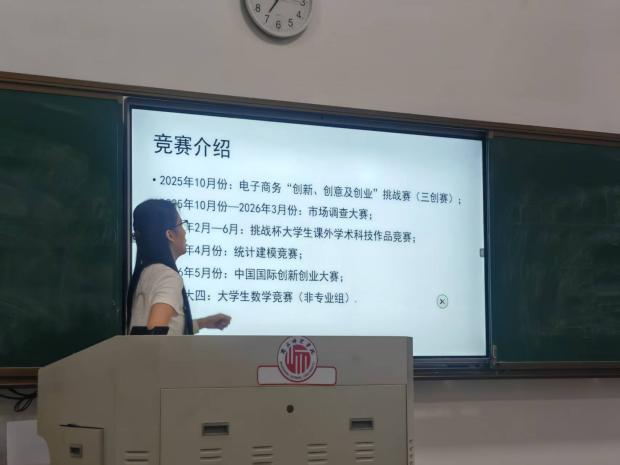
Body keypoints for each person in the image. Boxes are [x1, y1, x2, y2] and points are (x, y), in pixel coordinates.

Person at [127, 199, 231, 335]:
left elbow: (160, 329)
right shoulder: (168, 276)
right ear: (170, 235)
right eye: (181, 225)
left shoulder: (147, 272)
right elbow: (154, 334)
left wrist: (203, 323)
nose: (184, 232)